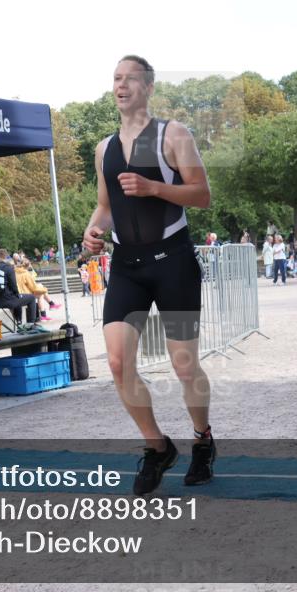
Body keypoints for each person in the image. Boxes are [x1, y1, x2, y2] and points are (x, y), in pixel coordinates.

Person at [82, 55, 215, 495]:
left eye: (130, 79)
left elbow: (202, 195)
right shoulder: (104, 148)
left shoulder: (173, 135)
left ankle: (202, 440)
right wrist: (94, 230)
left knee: (183, 364)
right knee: (118, 363)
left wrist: (154, 187)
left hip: (173, 261)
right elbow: (106, 206)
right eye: (116, 79)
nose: (121, 86)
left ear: (149, 87)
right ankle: (157, 447)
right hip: (128, 266)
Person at [0, 249, 37, 326]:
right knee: (31, 297)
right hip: (7, 301)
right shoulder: (8, 268)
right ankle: (31, 324)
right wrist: (17, 294)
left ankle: (19, 322)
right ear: (5, 256)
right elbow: (14, 286)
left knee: (17, 297)